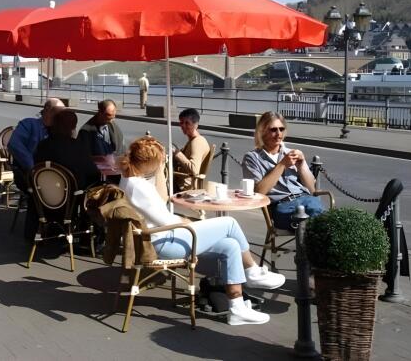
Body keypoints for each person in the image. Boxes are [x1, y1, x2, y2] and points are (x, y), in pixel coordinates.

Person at [119, 136, 286, 326]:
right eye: (159, 161)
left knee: (230, 245)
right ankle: (252, 271)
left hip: (160, 237)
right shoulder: (139, 186)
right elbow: (165, 218)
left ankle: (237, 307)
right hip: (164, 242)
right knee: (229, 223)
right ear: (149, 162)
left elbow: (158, 214)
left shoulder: (129, 180)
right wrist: (185, 220)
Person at [242, 112, 324, 230]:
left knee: (319, 215)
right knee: (318, 221)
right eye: (273, 130)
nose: (278, 134)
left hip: (306, 199)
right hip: (282, 206)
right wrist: (282, 165)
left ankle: (315, 236)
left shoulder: (291, 153)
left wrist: (301, 164)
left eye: (281, 129)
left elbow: (312, 189)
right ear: (262, 131)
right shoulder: (252, 158)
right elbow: (258, 192)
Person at [8, 98, 65, 238]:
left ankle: (60, 228)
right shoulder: (29, 124)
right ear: (47, 110)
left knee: (69, 190)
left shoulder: (59, 130)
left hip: (53, 175)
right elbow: (14, 145)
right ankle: (34, 233)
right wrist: (33, 167)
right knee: (39, 193)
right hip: (26, 174)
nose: (61, 117)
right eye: (58, 113)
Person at [35, 109, 100, 191]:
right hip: (73, 193)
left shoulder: (42, 145)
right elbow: (92, 172)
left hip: (44, 193)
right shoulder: (77, 146)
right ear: (73, 127)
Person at [173, 108, 210, 192]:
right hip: (181, 184)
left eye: (187, 123)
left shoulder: (197, 142)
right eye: (181, 122)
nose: (183, 126)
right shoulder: (193, 140)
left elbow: (194, 170)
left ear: (196, 125)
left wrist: (178, 154)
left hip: (183, 188)